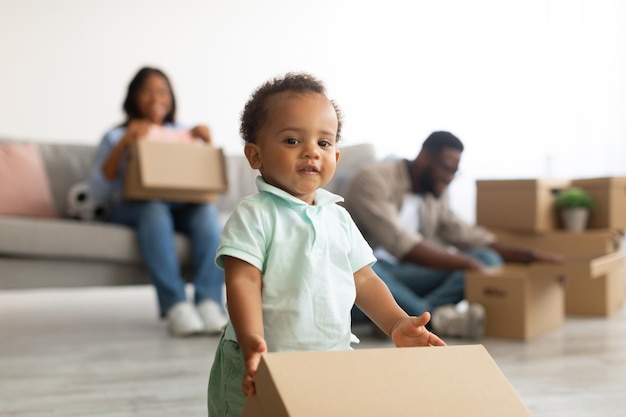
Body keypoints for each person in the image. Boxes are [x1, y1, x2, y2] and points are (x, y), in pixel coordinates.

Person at [207, 73, 446, 417]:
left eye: (324, 143)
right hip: (262, 360)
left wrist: (395, 322)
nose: (311, 152)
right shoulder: (255, 214)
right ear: (255, 155)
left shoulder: (338, 216)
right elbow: (243, 279)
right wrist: (251, 342)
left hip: (328, 359)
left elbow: (363, 280)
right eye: (292, 141)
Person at [342, 131, 564, 339]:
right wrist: (466, 263)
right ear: (424, 157)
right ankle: (431, 320)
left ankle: (405, 316)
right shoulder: (372, 179)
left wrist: (529, 256)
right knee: (362, 266)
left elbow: (463, 233)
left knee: (487, 259)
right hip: (368, 277)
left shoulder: (434, 191)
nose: (450, 178)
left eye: (454, 172)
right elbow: (403, 246)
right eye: (446, 169)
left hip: (406, 276)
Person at [89, 67, 228, 337]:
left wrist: (206, 144)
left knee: (205, 212)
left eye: (162, 92)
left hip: (180, 205)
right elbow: (99, 188)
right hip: (133, 206)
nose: (156, 99)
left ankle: (209, 301)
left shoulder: (183, 132)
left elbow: (200, 180)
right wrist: (124, 144)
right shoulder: (117, 135)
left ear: (171, 97)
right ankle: (175, 304)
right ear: (134, 97)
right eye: (148, 92)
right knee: (154, 210)